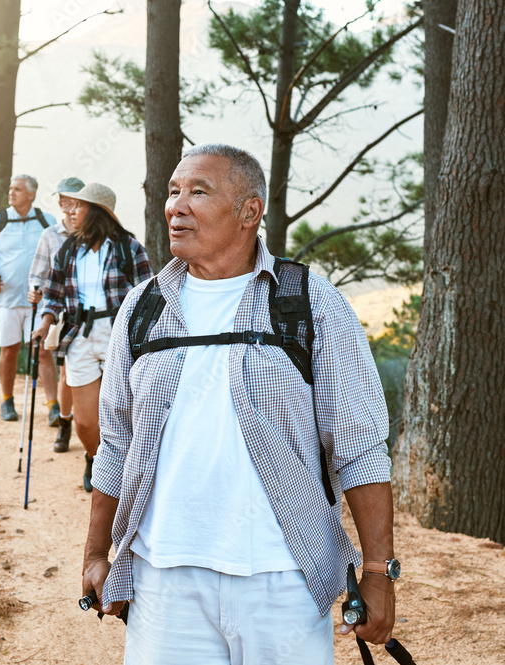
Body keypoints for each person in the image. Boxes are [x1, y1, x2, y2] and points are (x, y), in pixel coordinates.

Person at [81, 144, 397, 664]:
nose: (176, 207)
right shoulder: (143, 307)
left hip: (283, 581)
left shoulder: (308, 301)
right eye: (173, 192)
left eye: (198, 192)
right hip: (163, 580)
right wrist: (96, 553)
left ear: (250, 211)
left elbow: (359, 446)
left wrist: (380, 574)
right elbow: (117, 443)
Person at [32, 183, 152, 492]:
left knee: (120, 413)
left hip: (118, 334)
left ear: (96, 212)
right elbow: (54, 294)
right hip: (79, 334)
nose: (71, 210)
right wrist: (45, 322)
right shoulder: (68, 249)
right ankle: (93, 457)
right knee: (85, 423)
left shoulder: (129, 247)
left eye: (79, 206)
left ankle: (116, 475)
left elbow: (149, 297)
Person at [0, 174, 57, 421]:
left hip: (38, 301)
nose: (12, 193)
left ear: (31, 194)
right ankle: (7, 402)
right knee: (9, 350)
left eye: (18, 189)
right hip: (7, 300)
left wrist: (48, 289)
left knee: (42, 351)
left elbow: (59, 261)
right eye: (11, 188)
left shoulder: (46, 221)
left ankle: (53, 405)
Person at [28, 177, 84, 451]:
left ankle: (70, 420)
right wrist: (34, 291)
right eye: (60, 197)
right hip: (55, 307)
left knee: (69, 370)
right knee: (51, 360)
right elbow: (37, 274)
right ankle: (58, 413)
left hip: (83, 314)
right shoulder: (50, 235)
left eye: (69, 196)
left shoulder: (93, 235)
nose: (63, 201)